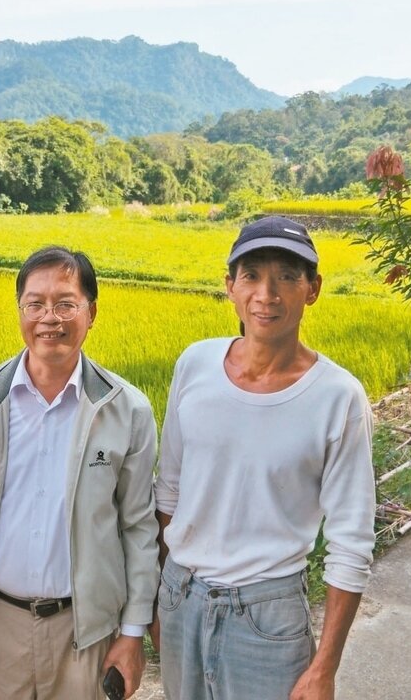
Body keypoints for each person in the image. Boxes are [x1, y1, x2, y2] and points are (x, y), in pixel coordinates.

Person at [0, 246, 159, 700]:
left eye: (65, 303)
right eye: (35, 304)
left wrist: (133, 633)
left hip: (84, 633)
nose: (50, 318)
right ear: (20, 310)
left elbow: (138, 527)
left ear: (91, 312)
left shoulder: (126, 410)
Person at [153, 216, 376, 700]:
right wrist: (160, 599)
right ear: (229, 286)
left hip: (267, 614)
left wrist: (324, 669)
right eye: (252, 275)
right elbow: (168, 489)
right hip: (180, 596)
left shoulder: (338, 397)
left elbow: (351, 541)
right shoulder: (194, 365)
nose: (267, 294)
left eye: (287, 276)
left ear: (312, 289)